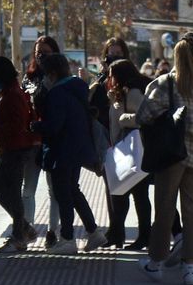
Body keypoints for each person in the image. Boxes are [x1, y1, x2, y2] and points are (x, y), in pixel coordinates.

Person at [125, 39, 193, 285]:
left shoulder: (165, 84)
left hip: (171, 155)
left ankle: (156, 263)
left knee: (164, 209)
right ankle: (190, 268)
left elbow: (144, 116)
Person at [29, 52, 106, 254]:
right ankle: (93, 231)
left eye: (46, 74)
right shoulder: (77, 87)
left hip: (61, 150)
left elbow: (54, 126)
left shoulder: (57, 93)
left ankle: (67, 239)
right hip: (77, 148)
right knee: (73, 190)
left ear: (52, 73)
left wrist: (36, 126)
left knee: (64, 194)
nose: (45, 78)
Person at [0, 56, 34, 250]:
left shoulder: (13, 95)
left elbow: (17, 125)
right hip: (9, 149)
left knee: (9, 192)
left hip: (15, 150)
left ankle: (19, 234)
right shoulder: (9, 93)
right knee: (2, 191)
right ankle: (24, 229)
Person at [104, 59, 153, 251]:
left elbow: (145, 117)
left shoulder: (132, 94)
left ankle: (143, 237)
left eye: (112, 75)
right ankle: (117, 234)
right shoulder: (122, 93)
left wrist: (125, 119)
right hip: (122, 149)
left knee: (138, 196)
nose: (109, 78)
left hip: (134, 151)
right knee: (120, 194)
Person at [89, 38, 131, 246]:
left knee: (122, 188)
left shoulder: (129, 78)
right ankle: (115, 231)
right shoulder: (102, 78)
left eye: (118, 53)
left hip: (124, 137)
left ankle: (118, 231)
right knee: (110, 186)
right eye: (111, 54)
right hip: (104, 136)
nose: (114, 57)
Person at [21, 35, 61, 246]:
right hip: (32, 142)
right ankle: (27, 230)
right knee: (28, 189)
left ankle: (52, 232)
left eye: (46, 51)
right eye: (38, 52)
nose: (41, 56)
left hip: (53, 141)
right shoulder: (28, 78)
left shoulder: (61, 80)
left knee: (54, 190)